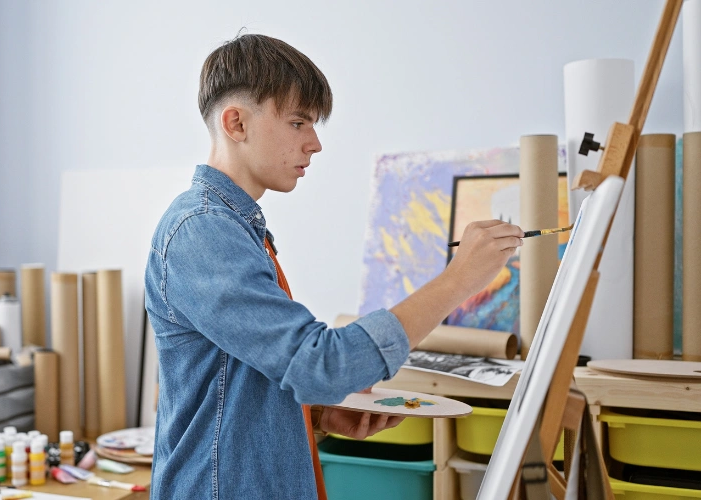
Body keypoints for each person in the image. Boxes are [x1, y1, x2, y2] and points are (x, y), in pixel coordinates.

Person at [144, 33, 523, 499]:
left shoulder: (235, 228)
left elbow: (245, 377)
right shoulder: (203, 232)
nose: (315, 143)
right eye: (298, 122)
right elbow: (321, 364)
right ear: (236, 123)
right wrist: (459, 279)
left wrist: (316, 416)